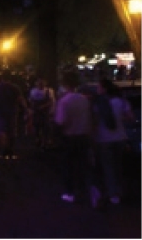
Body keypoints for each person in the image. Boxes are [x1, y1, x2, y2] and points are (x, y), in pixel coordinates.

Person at [89, 79, 134, 206]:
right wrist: (119, 119)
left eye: (99, 87)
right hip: (120, 138)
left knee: (108, 167)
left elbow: (94, 121)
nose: (97, 89)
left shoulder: (99, 103)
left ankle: (113, 194)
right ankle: (119, 191)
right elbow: (130, 117)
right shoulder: (121, 101)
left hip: (104, 139)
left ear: (104, 89)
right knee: (118, 166)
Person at [53, 70, 93, 204]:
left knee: (68, 166)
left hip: (69, 137)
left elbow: (60, 121)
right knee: (83, 165)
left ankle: (69, 192)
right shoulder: (84, 100)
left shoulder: (64, 101)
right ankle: (85, 190)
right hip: (84, 136)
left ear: (65, 84)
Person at [0, 69, 28, 159]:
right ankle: (10, 150)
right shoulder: (15, 87)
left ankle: (5, 149)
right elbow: (20, 99)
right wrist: (26, 109)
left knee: (1, 130)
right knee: (11, 130)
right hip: (12, 111)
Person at [28, 77, 55, 149]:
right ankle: (38, 139)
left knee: (45, 127)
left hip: (45, 112)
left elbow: (51, 101)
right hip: (36, 112)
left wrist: (46, 107)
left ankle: (45, 141)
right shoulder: (33, 91)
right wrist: (31, 110)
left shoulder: (49, 91)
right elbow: (31, 101)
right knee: (36, 126)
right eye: (39, 82)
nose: (40, 84)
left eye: (42, 82)